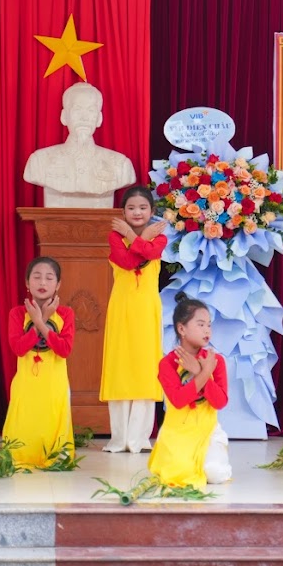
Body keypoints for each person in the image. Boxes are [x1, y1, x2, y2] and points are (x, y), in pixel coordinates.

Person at [101, 185, 167, 453]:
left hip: (147, 310)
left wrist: (135, 236)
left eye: (142, 207)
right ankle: (119, 439)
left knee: (144, 369)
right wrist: (135, 237)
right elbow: (127, 263)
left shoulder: (159, 238)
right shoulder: (115, 237)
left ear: (152, 211)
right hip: (122, 308)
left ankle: (139, 439)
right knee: (121, 369)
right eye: (131, 208)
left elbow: (150, 254)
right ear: (123, 212)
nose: (137, 212)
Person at [149, 295, 231, 490]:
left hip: (207, 430)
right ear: (182, 329)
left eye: (209, 325)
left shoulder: (216, 361)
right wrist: (203, 373)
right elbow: (178, 400)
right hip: (177, 431)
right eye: (200, 324)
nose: (207, 330)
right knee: (177, 473)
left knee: (215, 474)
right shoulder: (167, 364)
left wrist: (202, 371)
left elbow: (220, 402)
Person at [2, 257, 75, 468]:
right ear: (27, 283)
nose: (42, 282)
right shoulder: (17, 314)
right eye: (37, 277)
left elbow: (64, 350)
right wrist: (39, 321)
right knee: (24, 422)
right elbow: (19, 348)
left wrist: (40, 322)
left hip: (54, 383)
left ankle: (54, 457)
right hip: (26, 383)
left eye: (49, 278)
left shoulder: (66, 314)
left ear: (58, 284)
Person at [22, 82, 135, 208]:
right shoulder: (39, 161)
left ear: (99, 118)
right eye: (77, 109)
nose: (84, 117)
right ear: (64, 117)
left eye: (91, 110)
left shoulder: (120, 164)